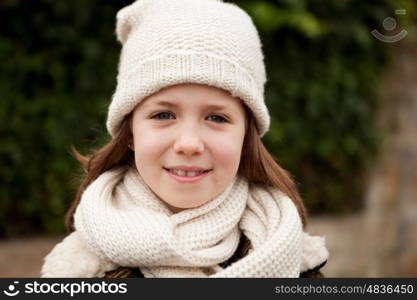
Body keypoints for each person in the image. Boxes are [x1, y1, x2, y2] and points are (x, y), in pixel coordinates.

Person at [41, 0, 328, 278]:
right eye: (164, 115)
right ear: (130, 133)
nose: (189, 144)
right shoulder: (79, 270)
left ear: (245, 136)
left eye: (216, 118)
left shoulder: (290, 255)